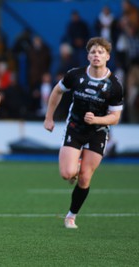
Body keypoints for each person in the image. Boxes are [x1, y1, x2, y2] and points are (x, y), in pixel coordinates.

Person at [43, 37, 124, 229]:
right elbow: (57, 91)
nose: (97, 55)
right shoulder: (75, 75)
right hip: (75, 128)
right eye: (93, 52)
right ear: (88, 56)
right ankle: (75, 164)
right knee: (67, 173)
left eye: (101, 52)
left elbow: (115, 117)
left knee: (85, 178)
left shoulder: (114, 85)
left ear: (108, 56)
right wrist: (49, 117)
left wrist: (97, 120)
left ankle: (71, 216)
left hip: (98, 132)